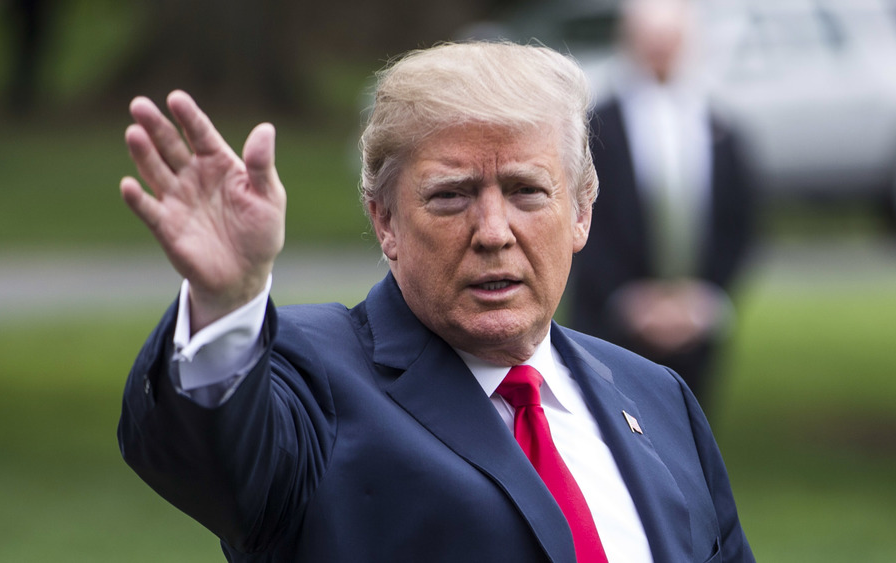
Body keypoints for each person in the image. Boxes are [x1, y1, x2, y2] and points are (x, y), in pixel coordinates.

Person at [117, 41, 754, 562]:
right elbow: (208, 456)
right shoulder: (309, 376)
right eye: (451, 195)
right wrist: (225, 299)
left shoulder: (658, 398)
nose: (494, 231)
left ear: (582, 212)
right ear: (385, 220)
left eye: (527, 191)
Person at [569, 0, 757, 408]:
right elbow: (581, 216)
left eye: (670, 41)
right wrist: (629, 301)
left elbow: (740, 220)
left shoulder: (719, 126)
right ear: (629, 41)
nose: (661, 52)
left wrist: (704, 299)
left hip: (697, 325)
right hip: (611, 323)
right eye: (650, 40)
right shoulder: (594, 128)